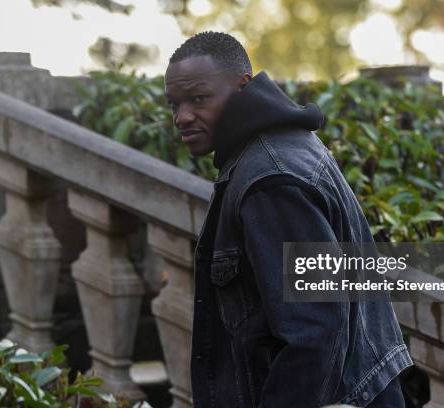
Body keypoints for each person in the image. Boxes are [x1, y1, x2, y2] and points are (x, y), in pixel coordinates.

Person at [164, 31, 413, 408]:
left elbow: (315, 331)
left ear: (241, 87)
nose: (182, 116)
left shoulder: (269, 179)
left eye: (198, 99)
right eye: (174, 103)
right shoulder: (279, 149)